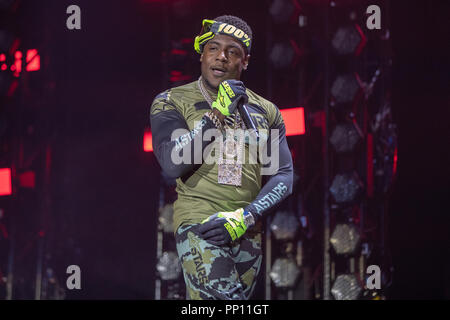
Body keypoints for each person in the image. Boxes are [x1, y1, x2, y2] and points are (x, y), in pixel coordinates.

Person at [150, 15, 293, 300]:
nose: (222, 57)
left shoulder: (267, 111)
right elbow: (173, 162)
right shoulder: (171, 100)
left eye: (233, 51)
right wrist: (217, 113)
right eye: (213, 48)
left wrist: (248, 216)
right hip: (200, 222)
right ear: (202, 54)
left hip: (246, 229)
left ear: (246, 61)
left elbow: (283, 176)